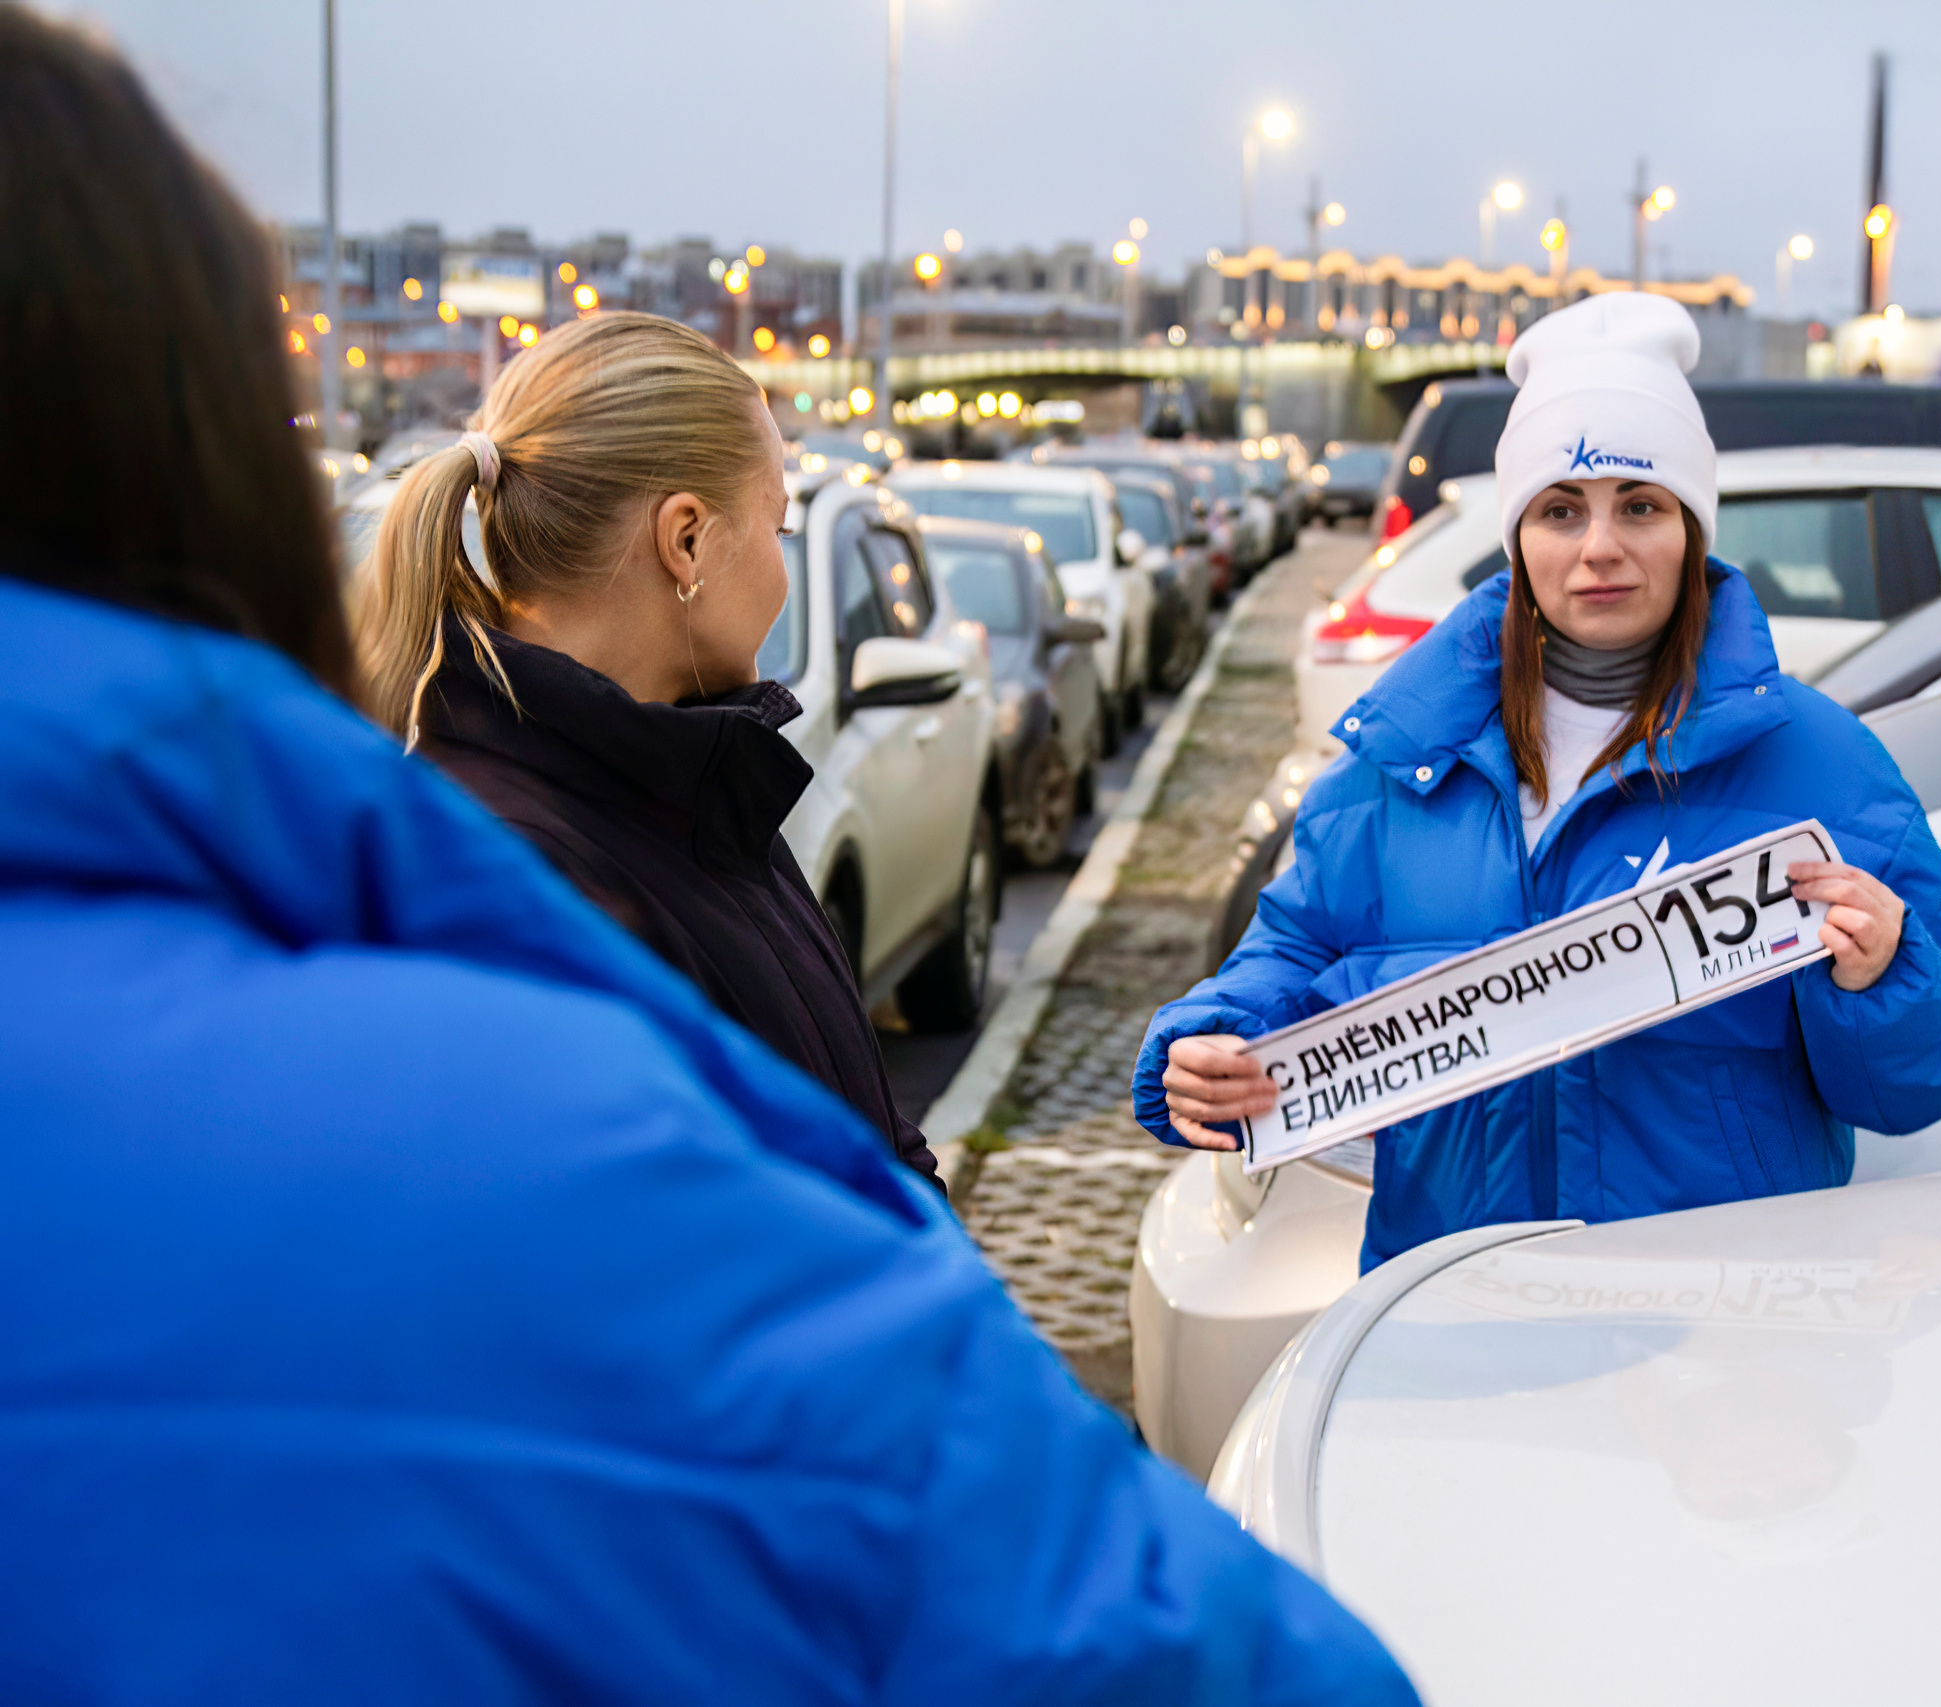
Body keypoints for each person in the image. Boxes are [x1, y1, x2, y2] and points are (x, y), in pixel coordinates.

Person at [0, 12, 1416, 1702]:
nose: (780, 540)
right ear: (683, 541)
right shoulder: (520, 963)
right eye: (773, 503)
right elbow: (1086, 1605)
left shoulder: (636, 817)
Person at [1133, 292, 1941, 1270]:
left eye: (1639, 505)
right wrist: (1215, 1042)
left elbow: (1935, 1071)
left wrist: (1884, 971)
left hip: (1722, 1342)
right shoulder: (1401, 759)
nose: (1598, 548)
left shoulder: (1820, 762)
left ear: (1690, 529)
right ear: (1517, 539)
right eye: (1559, 510)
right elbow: (1289, 953)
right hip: (1459, 1318)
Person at [353, 311, 939, 1188]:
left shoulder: (704, 788)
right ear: (687, 539)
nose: (782, 572)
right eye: (778, 530)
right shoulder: (517, 880)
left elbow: (864, 1138)